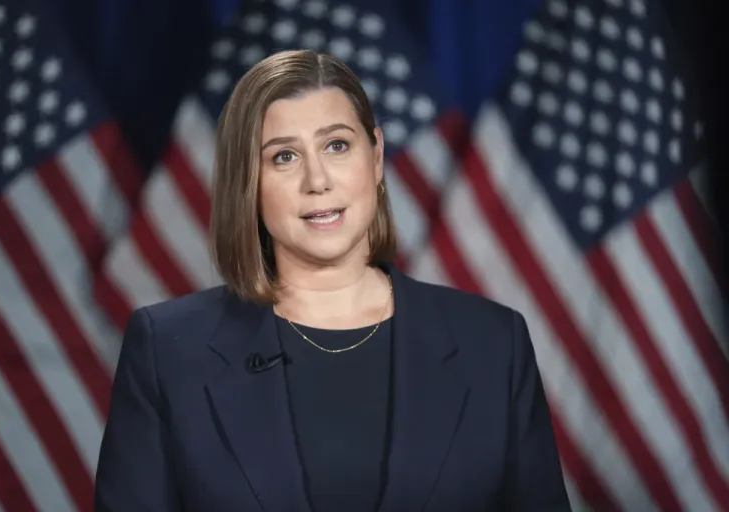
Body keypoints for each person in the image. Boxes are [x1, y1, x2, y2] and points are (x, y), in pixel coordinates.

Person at [94, 49, 570, 511]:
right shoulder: (169, 351)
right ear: (247, 183)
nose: (317, 179)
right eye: (284, 157)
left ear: (376, 156)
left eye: (336, 145)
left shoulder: (493, 343)